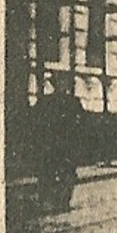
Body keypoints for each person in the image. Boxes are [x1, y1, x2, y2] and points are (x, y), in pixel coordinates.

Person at [35, 79, 83, 214]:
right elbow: (81, 124)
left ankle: (51, 202)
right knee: (63, 172)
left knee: (50, 172)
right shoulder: (72, 102)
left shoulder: (46, 101)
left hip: (54, 145)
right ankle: (60, 201)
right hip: (64, 145)